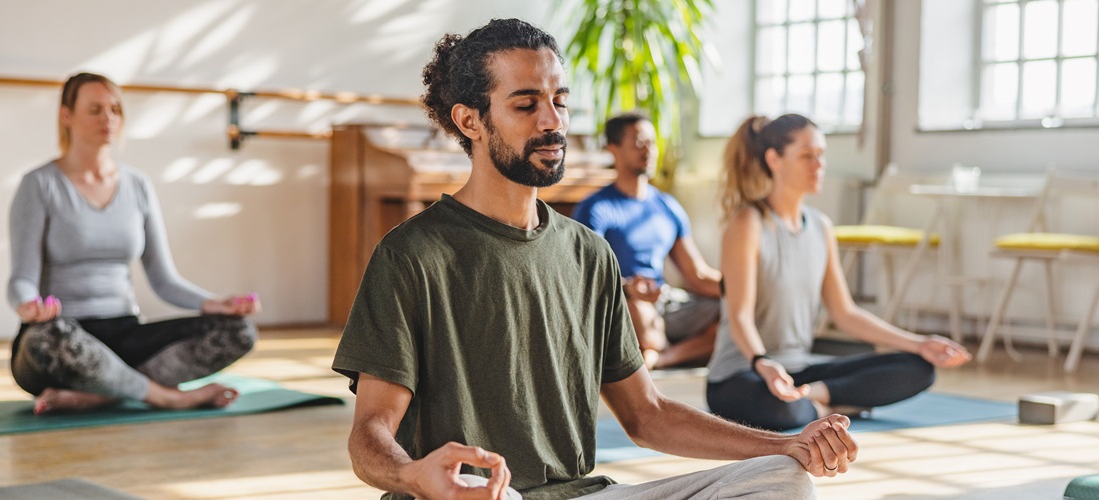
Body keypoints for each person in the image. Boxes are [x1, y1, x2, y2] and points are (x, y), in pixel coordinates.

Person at [333, 19, 856, 500]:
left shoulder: (589, 253)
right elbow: (370, 433)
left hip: (582, 493)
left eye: (559, 100)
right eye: (526, 105)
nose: (552, 121)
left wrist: (787, 443)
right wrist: (413, 475)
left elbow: (646, 415)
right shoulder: (411, 255)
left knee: (780, 479)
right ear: (470, 120)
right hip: (476, 498)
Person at [7, 72, 261, 415]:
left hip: (124, 334)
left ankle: (102, 394)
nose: (108, 118)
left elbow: (163, 280)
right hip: (62, 338)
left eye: (115, 109)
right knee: (44, 337)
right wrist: (28, 305)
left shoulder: (138, 185)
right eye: (95, 109)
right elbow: (21, 278)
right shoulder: (39, 185)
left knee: (238, 331)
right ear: (66, 116)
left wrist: (215, 304)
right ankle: (169, 397)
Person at [705, 114, 974, 431]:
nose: (818, 165)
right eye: (807, 156)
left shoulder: (820, 227)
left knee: (918, 368)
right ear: (774, 159)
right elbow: (739, 316)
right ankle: (830, 404)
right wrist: (763, 363)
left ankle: (817, 399)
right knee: (780, 410)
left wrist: (917, 343)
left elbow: (844, 313)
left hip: (799, 371)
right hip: (743, 374)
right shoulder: (747, 223)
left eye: (821, 155)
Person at [571, 112, 722, 370]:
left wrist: (744, 289)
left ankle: (661, 358)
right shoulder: (595, 208)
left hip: (665, 301)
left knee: (733, 312)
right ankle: (651, 352)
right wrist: (629, 287)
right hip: (625, 300)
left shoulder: (668, 206)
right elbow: (587, 273)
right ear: (613, 149)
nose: (649, 150)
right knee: (639, 308)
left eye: (652, 142)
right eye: (639, 142)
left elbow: (696, 274)